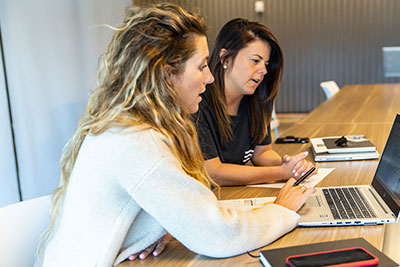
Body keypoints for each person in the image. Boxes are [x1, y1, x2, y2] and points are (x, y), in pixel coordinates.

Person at [36, 4, 315, 267]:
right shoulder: (136, 140)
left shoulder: (134, 126)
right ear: (168, 73)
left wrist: (156, 227)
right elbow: (217, 236)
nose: (209, 78)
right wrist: (281, 210)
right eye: (202, 66)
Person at [193, 18, 316, 186]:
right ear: (225, 58)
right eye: (255, 61)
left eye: (266, 64)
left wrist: (292, 166)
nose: (264, 70)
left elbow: (261, 153)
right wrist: (280, 172)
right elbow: (213, 172)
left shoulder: (258, 99)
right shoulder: (197, 102)